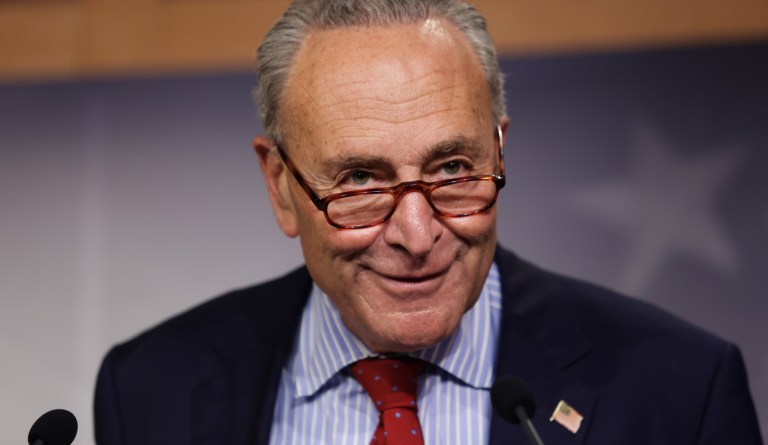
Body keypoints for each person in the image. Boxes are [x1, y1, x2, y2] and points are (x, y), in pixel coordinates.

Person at [94, 0, 763, 444]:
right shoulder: (153, 389)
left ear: (500, 151)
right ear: (280, 186)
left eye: (451, 169)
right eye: (359, 180)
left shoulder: (680, 392)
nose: (417, 234)